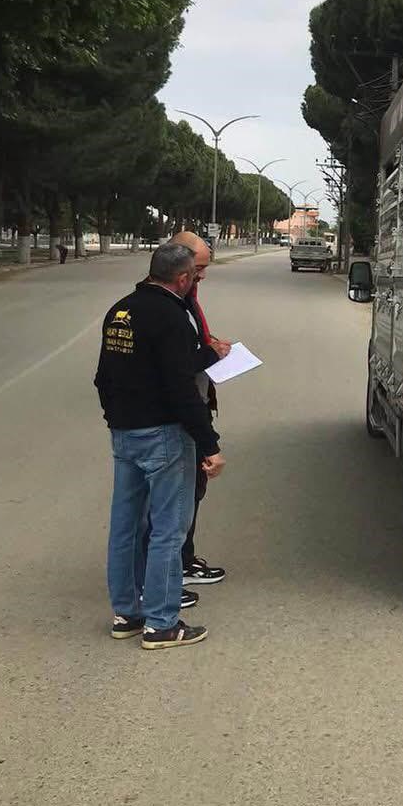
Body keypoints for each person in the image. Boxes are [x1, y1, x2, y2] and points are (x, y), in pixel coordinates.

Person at [94, 242, 226, 650]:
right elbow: (180, 387)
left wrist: (117, 420)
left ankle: (126, 614)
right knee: (168, 530)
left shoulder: (120, 310)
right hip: (164, 435)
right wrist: (209, 444)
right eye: (194, 276)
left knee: (127, 527)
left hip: (125, 434)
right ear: (182, 278)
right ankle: (162, 623)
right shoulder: (171, 316)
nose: (195, 282)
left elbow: (103, 378)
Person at [169, 230, 231, 586]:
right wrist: (209, 353)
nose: (202, 276)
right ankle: (171, 570)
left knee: (192, 492)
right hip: (183, 414)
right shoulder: (171, 306)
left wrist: (208, 344)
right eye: (200, 268)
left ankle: (184, 559)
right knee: (177, 498)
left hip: (193, 407)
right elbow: (178, 368)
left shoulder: (186, 299)